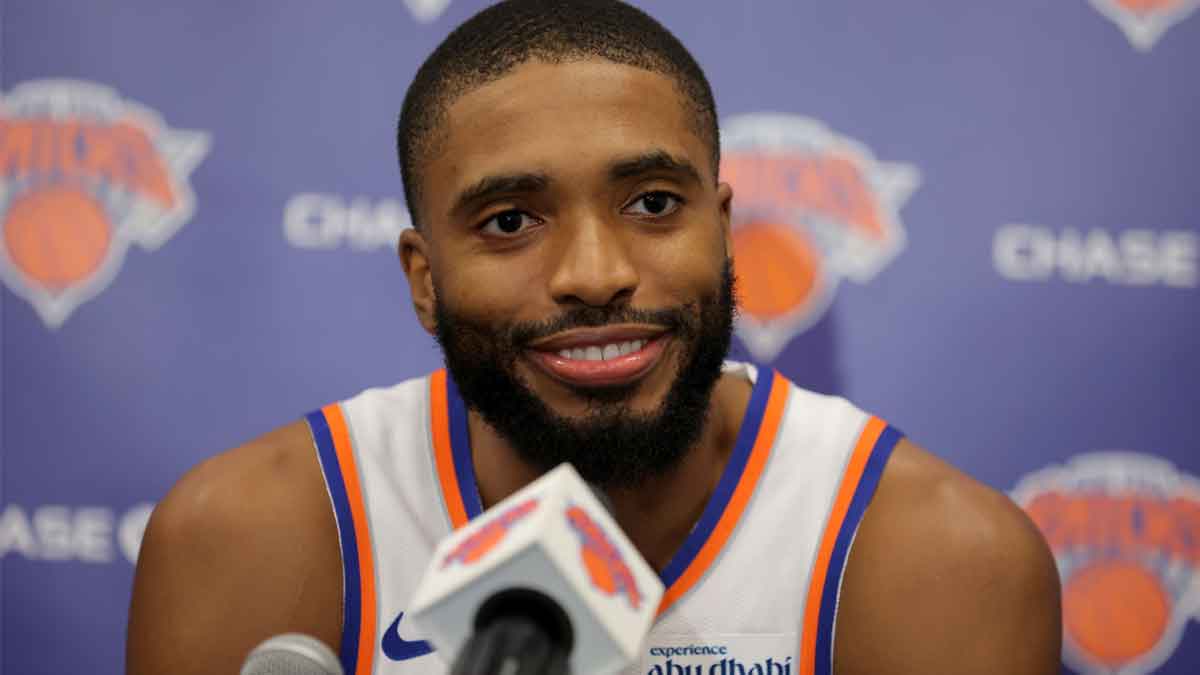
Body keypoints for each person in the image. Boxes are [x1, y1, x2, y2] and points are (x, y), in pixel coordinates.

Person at [126, 1, 1061, 673]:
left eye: (653, 204)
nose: (594, 271)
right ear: (424, 278)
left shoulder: (932, 559)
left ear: (724, 229)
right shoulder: (259, 536)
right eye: (509, 221)